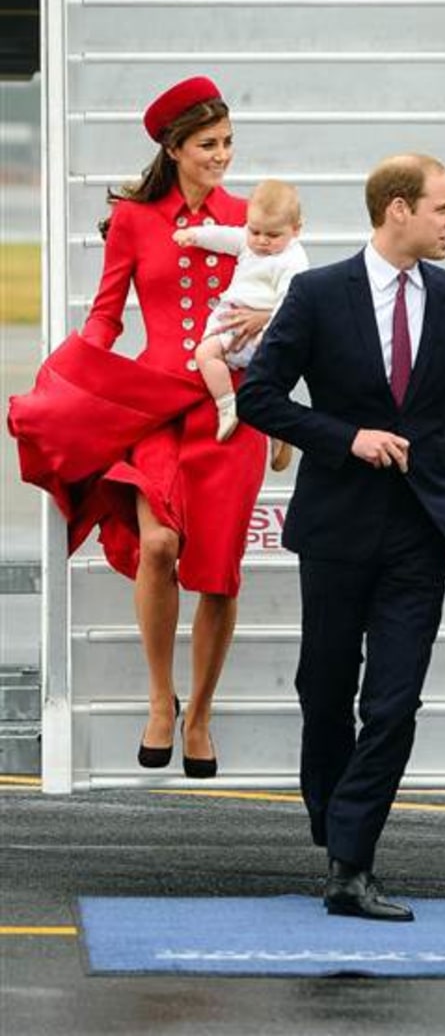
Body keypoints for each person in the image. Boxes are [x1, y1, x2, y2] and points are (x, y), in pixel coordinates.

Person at [237, 153, 445, 921]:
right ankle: (334, 819)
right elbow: (261, 401)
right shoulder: (315, 294)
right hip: (339, 526)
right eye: (442, 208)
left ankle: (351, 860)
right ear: (398, 210)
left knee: (395, 702)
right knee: (325, 687)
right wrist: (348, 439)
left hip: (417, 531)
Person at [8, 76, 270, 778]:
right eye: (209, 145)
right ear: (175, 146)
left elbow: (288, 305)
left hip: (229, 409)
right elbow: (106, 312)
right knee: (159, 545)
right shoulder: (132, 218)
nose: (222, 156)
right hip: (153, 398)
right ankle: (160, 698)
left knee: (217, 573)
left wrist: (272, 346)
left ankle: (201, 714)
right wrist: (74, 378)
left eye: (228, 143)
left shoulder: (248, 217)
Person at [173, 178, 309, 461]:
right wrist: (195, 235)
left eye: (272, 235)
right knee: (206, 353)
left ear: (296, 230)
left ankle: (277, 430)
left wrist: (269, 329)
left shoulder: (292, 260)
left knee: (265, 383)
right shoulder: (249, 242)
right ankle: (227, 405)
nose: (261, 240)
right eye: (255, 231)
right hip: (231, 318)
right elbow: (225, 237)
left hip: (264, 330)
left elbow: (291, 302)